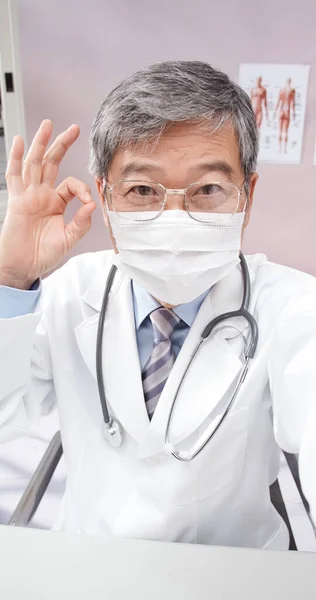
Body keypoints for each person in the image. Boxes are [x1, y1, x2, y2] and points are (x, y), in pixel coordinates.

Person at [0, 61, 316, 550]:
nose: (175, 218)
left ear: (247, 198)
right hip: (93, 558)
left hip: (234, 572)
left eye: (208, 189)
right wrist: (10, 278)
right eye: (142, 190)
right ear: (104, 198)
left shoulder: (292, 307)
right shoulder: (67, 292)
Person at [274, 78, 296, 153]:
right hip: (287, 110)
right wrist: (294, 113)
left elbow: (278, 102)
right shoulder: (292, 90)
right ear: (290, 82)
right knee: (285, 131)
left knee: (280, 131)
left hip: (281, 110)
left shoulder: (282, 90)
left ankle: (279, 149)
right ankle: (284, 149)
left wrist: (275, 112)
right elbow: (293, 103)